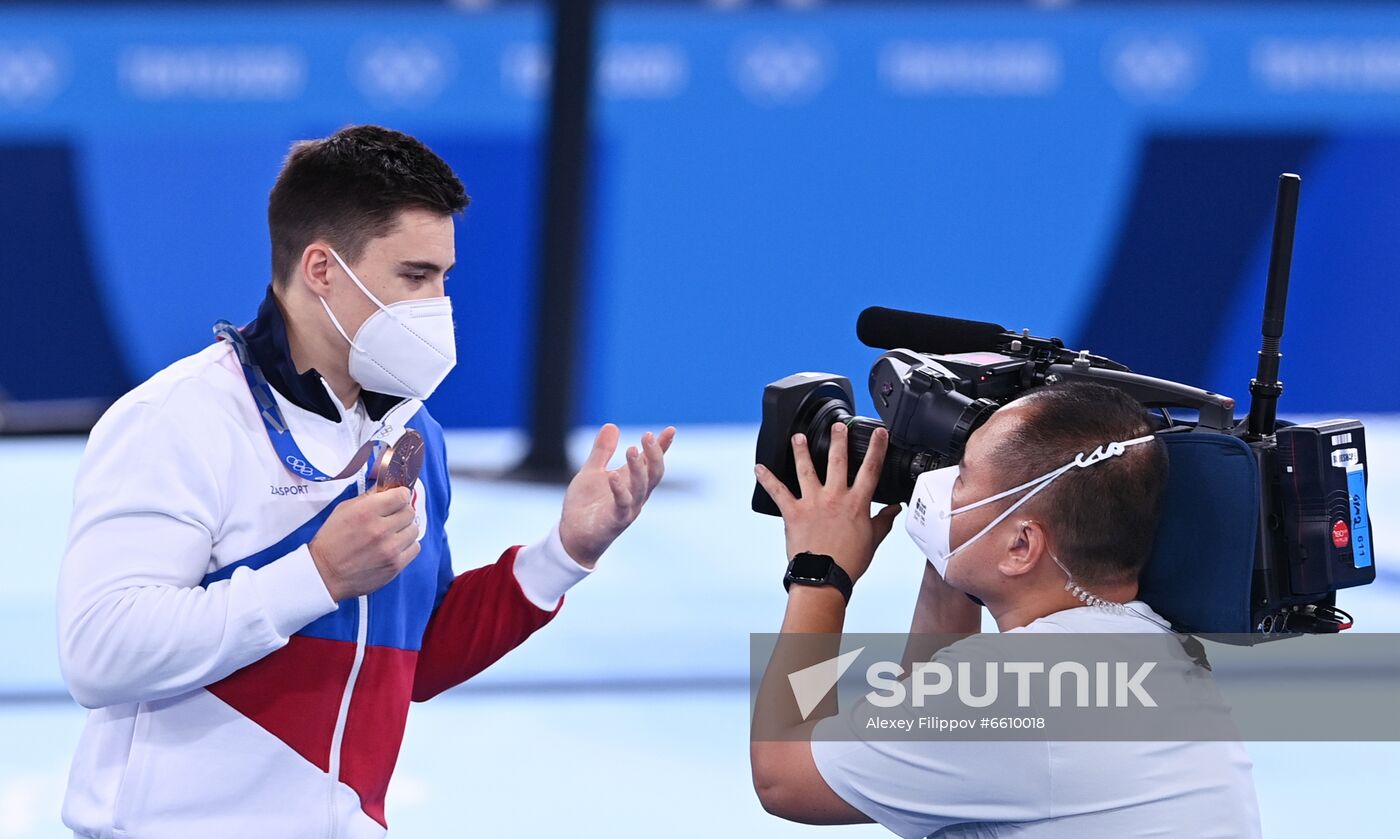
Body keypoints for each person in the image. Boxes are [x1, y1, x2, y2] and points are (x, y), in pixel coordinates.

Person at [56, 125, 675, 838]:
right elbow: (98, 653)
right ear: (322, 268)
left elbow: (411, 659)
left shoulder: (412, 436)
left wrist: (563, 553)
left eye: (444, 277)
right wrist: (315, 575)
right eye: (414, 276)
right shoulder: (177, 421)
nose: (438, 303)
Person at [750, 381, 1261, 838]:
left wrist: (820, 569)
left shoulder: (1017, 687)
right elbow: (917, 724)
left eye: (963, 477)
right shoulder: (1156, 649)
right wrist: (946, 551)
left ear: (1021, 546)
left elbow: (783, 775)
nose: (942, 485)